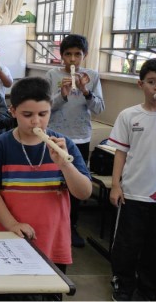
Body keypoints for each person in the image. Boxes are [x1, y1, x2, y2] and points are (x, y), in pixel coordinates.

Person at [0, 77, 92, 274]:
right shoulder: (0, 145)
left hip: (53, 240)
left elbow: (84, 193)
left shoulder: (65, 145)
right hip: (10, 237)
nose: (36, 121)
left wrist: (65, 166)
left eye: (43, 114)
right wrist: (11, 223)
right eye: (27, 114)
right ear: (13, 111)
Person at [108, 58, 156, 301]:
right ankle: (124, 284)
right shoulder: (129, 115)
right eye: (152, 82)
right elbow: (120, 153)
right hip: (133, 193)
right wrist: (116, 184)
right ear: (141, 84)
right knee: (127, 245)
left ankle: (150, 290)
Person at [45, 34, 105, 248]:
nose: (72, 59)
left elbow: (99, 108)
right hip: (54, 135)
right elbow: (45, 107)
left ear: (84, 55)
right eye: (68, 54)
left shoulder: (92, 76)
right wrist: (62, 94)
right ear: (61, 56)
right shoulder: (52, 75)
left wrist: (85, 91)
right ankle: (52, 222)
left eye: (77, 55)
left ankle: (72, 227)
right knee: (53, 181)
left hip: (80, 136)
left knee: (76, 182)